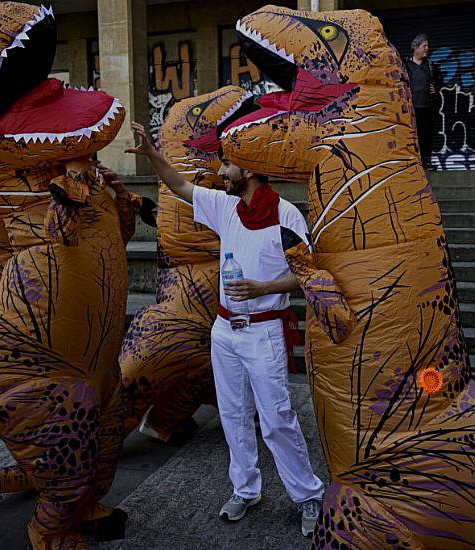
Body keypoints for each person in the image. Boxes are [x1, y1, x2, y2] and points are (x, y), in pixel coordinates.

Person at [125, 121, 325, 537]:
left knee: (277, 419)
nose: (222, 171)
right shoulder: (226, 206)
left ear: (249, 170)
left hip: (265, 332)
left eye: (229, 165)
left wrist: (262, 287)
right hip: (224, 330)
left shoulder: (286, 214)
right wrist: (152, 156)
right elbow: (180, 187)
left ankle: (308, 495)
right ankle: (245, 488)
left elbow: (307, 274)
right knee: (234, 414)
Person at [405, 33, 441, 169]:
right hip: (412, 109)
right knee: (412, 136)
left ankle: (426, 162)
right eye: (424, 46)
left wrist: (436, 89)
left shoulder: (431, 66)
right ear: (416, 47)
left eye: (427, 46)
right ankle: (413, 163)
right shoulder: (406, 66)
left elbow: (439, 83)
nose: (427, 48)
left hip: (427, 107)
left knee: (426, 136)